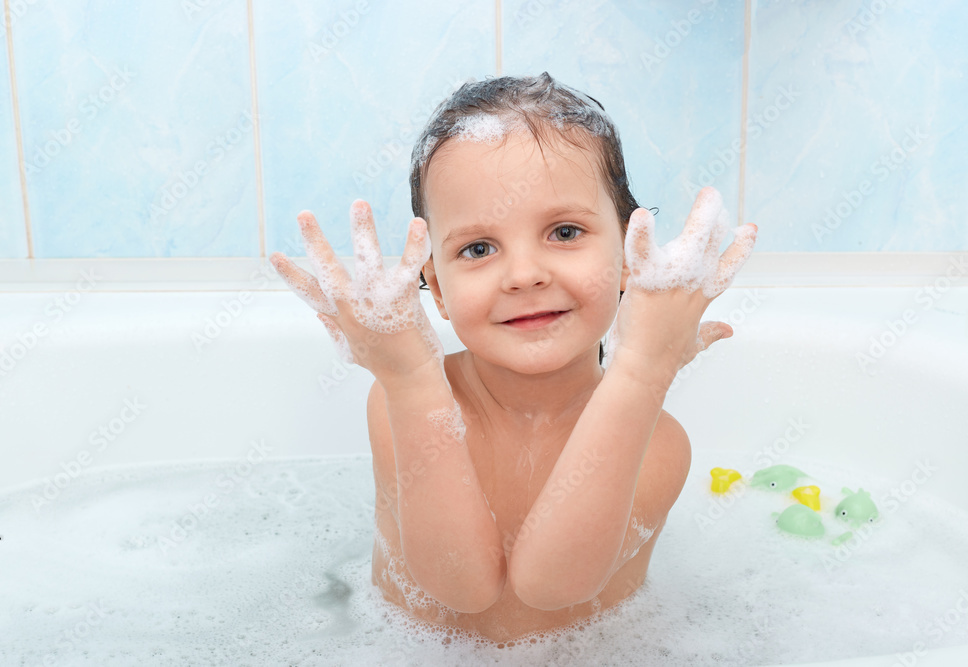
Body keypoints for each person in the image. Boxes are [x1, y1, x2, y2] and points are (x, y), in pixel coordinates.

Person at [271, 72, 757, 642]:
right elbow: (459, 586)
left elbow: (553, 585)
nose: (524, 275)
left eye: (565, 231)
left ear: (630, 254)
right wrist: (409, 379)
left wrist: (645, 369)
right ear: (437, 285)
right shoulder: (402, 398)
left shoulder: (659, 443)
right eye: (478, 248)